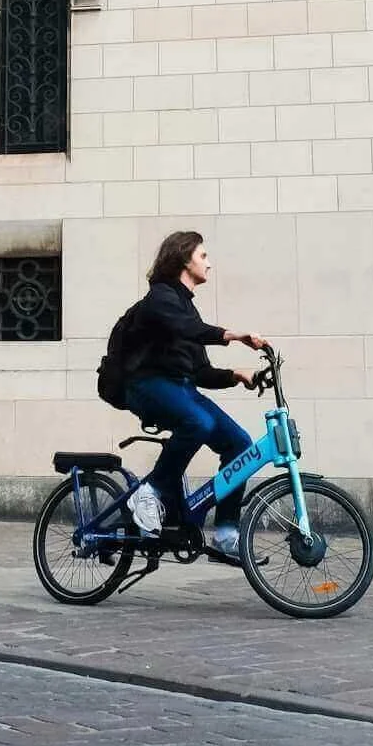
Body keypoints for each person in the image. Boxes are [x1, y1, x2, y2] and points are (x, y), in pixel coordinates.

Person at [121, 230, 268, 559]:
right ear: (183, 259)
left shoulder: (188, 310)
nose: (210, 264)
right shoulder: (160, 298)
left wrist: (237, 375)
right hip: (146, 384)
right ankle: (150, 492)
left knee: (240, 444)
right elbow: (188, 330)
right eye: (203, 256)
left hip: (180, 388)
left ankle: (227, 531)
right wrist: (235, 335)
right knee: (198, 422)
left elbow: (200, 371)